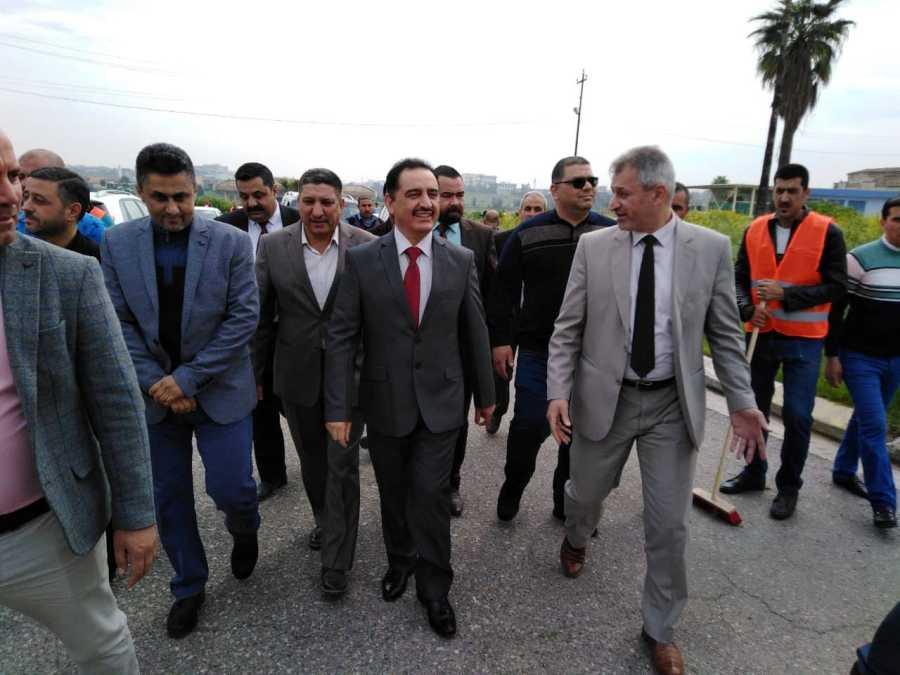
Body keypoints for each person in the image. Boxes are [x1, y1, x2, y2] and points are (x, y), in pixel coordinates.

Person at [547, 146, 767, 675]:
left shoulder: (709, 249)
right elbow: (568, 327)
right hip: (606, 398)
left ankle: (660, 628)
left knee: (669, 526)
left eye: (623, 193)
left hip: (672, 403)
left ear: (658, 194)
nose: (612, 202)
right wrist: (557, 392)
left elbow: (725, 335)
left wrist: (742, 402)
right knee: (585, 494)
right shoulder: (595, 248)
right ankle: (576, 536)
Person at [0, 129, 158, 673]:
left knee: (101, 648)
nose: (12, 197)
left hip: (41, 531)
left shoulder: (69, 273)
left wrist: (135, 516)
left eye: (14, 177)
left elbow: (116, 401)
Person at [324, 158, 495, 638]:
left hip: (443, 401)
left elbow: (474, 329)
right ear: (391, 201)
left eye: (433, 194)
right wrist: (337, 407)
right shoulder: (362, 260)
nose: (427, 203)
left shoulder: (460, 260)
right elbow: (341, 336)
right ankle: (400, 560)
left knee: (430, 494)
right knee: (394, 492)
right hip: (384, 403)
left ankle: (435, 586)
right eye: (415, 194)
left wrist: (486, 395)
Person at [102, 143, 260, 640]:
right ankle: (189, 585)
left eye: (182, 197)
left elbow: (243, 319)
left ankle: (245, 528)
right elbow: (117, 321)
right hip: (155, 399)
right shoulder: (117, 244)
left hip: (220, 389)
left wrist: (187, 380)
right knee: (168, 498)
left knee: (232, 488)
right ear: (140, 193)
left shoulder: (232, 243)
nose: (172, 208)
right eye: (159, 198)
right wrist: (158, 382)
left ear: (196, 191)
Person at [254, 168, 375, 594]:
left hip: (351, 377)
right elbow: (260, 318)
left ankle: (336, 560)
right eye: (309, 201)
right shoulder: (273, 247)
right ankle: (327, 520)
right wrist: (256, 375)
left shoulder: (367, 245)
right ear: (297, 202)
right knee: (313, 461)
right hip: (297, 374)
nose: (318, 210)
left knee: (342, 463)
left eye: (327, 202)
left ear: (341, 204)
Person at [489, 157, 614, 522]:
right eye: (578, 182)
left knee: (579, 435)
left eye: (592, 180)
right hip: (538, 351)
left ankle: (565, 501)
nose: (588, 187)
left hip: (593, 356)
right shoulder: (528, 234)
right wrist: (501, 341)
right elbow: (503, 292)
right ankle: (514, 485)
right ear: (555, 189)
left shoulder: (611, 233)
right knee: (528, 426)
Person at [722, 163, 848, 520]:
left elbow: (838, 287)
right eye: (780, 190)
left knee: (798, 415)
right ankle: (753, 473)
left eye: (792, 191)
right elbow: (738, 278)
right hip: (761, 336)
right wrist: (747, 309)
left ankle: (789, 487)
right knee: (754, 409)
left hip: (804, 341)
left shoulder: (828, 232)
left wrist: (787, 295)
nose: (784, 197)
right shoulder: (754, 229)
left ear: (806, 193)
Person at [217, 162, 295, 501]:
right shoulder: (226, 228)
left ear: (274, 190)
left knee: (301, 407)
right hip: (247, 337)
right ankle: (272, 475)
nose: (251, 203)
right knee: (259, 409)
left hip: (294, 335)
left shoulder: (300, 221)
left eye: (258, 195)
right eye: (244, 196)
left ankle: (320, 469)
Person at [825, 197, 900, 529]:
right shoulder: (859, 259)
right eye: (897, 219)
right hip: (860, 357)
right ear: (883, 221)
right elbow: (836, 310)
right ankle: (883, 502)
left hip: (895, 359)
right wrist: (832, 356)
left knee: (866, 419)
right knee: (875, 425)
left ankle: (843, 470)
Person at [432, 165, 497, 517]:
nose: (455, 202)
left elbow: (491, 297)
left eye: (459, 195)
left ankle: (450, 484)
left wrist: (493, 348)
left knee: (455, 424)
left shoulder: (481, 236)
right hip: (415, 348)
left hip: (460, 353)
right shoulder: (403, 232)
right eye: (447, 195)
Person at [485, 191, 547, 435]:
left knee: (531, 377)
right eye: (528, 208)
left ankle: (526, 422)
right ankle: (499, 408)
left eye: (538, 209)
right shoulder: (501, 241)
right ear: (519, 212)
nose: (532, 213)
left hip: (536, 321)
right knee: (501, 371)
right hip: (508, 318)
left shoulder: (552, 241)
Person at [16, 148, 107, 243]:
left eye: (39, 176)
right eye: (20, 176)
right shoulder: (10, 223)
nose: (25, 183)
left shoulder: (92, 229)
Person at [22, 167, 100, 259]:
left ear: (73, 211)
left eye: (39, 200)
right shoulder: (14, 250)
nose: (25, 207)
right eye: (25, 197)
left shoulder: (97, 260)